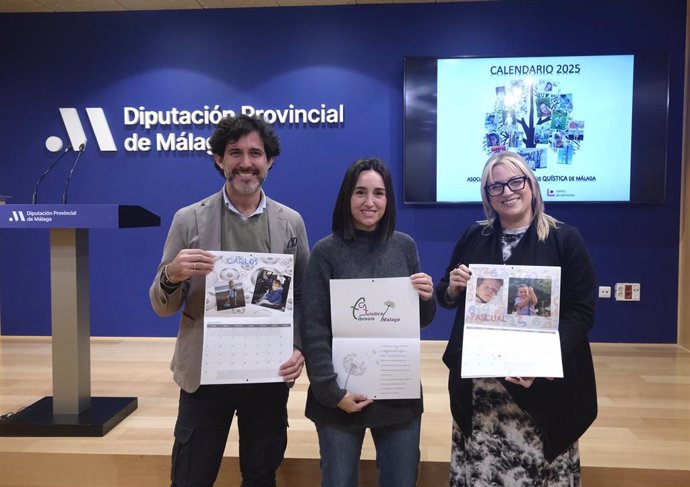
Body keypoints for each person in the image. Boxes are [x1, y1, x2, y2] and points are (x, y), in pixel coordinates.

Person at [149, 114, 310, 487]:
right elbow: (161, 305)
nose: (246, 162)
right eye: (234, 152)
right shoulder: (188, 220)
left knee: (260, 475)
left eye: (256, 153)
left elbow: (301, 295)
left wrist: (299, 346)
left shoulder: (292, 223)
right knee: (191, 478)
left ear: (269, 161)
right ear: (219, 159)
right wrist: (172, 274)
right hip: (205, 376)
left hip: (267, 375)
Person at [435, 151, 597, 486]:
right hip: (482, 390)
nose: (507, 191)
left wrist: (542, 361)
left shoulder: (564, 238)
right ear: (487, 196)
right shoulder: (473, 236)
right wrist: (452, 287)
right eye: (496, 187)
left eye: (515, 181)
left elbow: (580, 312)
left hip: (538, 389)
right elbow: (446, 296)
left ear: (531, 184)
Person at [301, 157, 437, 487]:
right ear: (347, 197)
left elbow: (419, 322)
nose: (370, 202)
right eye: (360, 192)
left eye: (379, 193)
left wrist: (426, 297)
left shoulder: (404, 246)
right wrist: (332, 392)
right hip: (341, 395)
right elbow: (314, 328)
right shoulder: (325, 252)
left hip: (396, 393)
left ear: (388, 199)